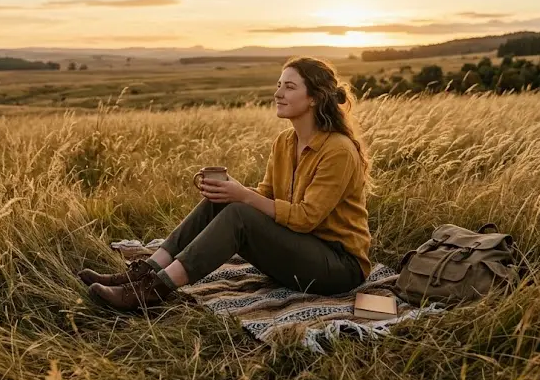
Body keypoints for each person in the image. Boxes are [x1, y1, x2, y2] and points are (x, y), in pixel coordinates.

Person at [77, 56, 372, 311]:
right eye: (279, 85)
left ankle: (154, 290)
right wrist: (233, 191)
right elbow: (267, 197)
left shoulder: (338, 150)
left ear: (315, 98)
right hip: (298, 253)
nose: (278, 93)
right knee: (223, 201)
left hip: (337, 267)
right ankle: (143, 273)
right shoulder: (284, 142)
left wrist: (243, 196)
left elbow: (306, 218)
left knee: (239, 211)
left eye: (290, 87)